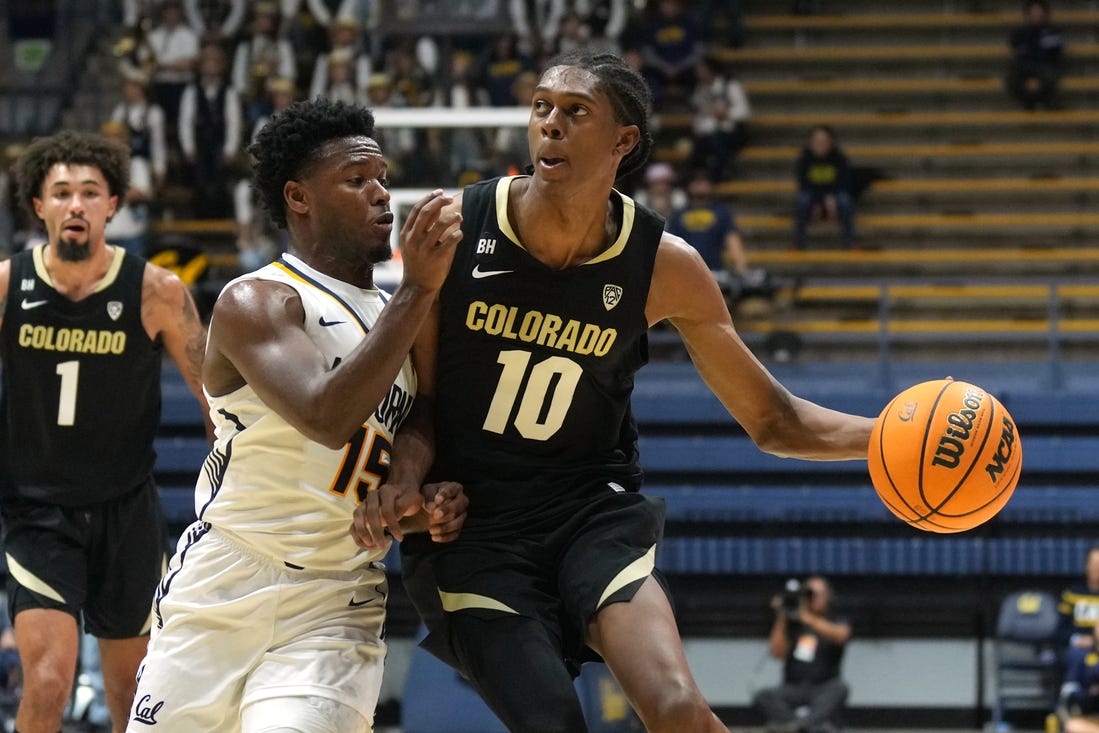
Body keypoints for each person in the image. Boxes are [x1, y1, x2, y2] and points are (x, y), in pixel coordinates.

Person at [352, 50, 876, 733]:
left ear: (622, 141)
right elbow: (421, 402)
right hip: (474, 531)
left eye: (575, 113)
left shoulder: (664, 265)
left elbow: (772, 421)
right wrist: (407, 482)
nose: (550, 126)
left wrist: (891, 434)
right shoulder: (455, 228)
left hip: (587, 513)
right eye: (541, 107)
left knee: (678, 707)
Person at [125, 97, 467, 732]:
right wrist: (419, 287)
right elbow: (324, 414)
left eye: (383, 179)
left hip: (337, 596)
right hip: (225, 579)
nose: (381, 195)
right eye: (356, 180)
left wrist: (408, 485)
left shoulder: (402, 313)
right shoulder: (257, 301)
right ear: (298, 197)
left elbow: (423, 410)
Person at [0, 129, 211, 733]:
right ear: (38, 205)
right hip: (38, 513)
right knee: (47, 682)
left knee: (133, 694)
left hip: (126, 512)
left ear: (113, 205)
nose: (76, 204)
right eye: (61, 192)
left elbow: (214, 401)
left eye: (90, 192)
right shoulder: (7, 286)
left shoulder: (157, 291)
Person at [753, 577, 852, 733]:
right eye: (809, 593)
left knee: (840, 689)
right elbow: (776, 652)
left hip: (823, 686)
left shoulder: (835, 618)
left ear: (828, 597)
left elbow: (841, 635)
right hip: (794, 687)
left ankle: (798, 727)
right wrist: (782, 616)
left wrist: (807, 617)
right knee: (763, 695)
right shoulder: (793, 623)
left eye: (817, 594)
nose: (813, 598)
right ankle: (805, 726)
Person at [793, 125, 855, 250]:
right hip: (814, 195)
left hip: (834, 194)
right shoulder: (805, 159)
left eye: (823, 142)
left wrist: (830, 197)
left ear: (831, 142)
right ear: (810, 143)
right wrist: (819, 201)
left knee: (845, 200)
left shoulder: (839, 159)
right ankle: (798, 243)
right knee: (802, 200)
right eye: (816, 142)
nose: (820, 145)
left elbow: (844, 182)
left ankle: (849, 242)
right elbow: (804, 184)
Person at [1006, 0, 1065, 111]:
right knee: (1012, 79)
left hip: (1046, 66)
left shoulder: (1053, 31)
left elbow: (1054, 54)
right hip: (1025, 66)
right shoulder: (1020, 32)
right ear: (1027, 13)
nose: (1036, 14)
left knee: (1050, 77)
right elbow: (1017, 49)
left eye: (1039, 11)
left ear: (1045, 13)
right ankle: (1027, 104)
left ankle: (1044, 104)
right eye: (1033, 11)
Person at [1060, 547, 1099, 680]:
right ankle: (1071, 691)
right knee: (1075, 655)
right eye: (1094, 564)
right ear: (1087, 566)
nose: (1097, 569)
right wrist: (1076, 639)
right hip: (1079, 649)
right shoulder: (1072, 594)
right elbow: (1060, 630)